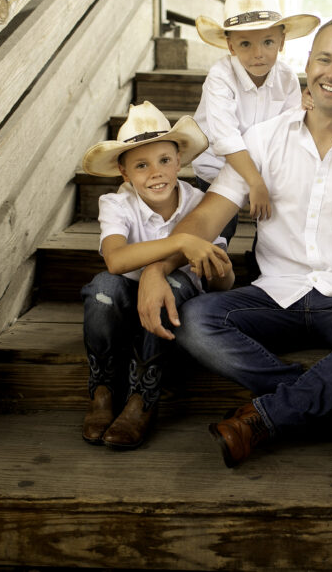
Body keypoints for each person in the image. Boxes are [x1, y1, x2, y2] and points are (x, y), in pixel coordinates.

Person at [135, 17, 332, 467]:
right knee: (196, 317)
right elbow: (205, 218)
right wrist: (154, 268)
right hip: (272, 296)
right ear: (307, 63)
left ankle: (265, 416)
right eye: (324, 59)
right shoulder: (262, 141)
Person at [79, 101, 234, 449]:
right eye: (141, 165)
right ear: (125, 173)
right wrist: (180, 241)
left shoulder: (199, 204)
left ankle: (141, 398)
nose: (156, 173)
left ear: (180, 160)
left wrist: (218, 270)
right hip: (126, 299)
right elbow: (116, 261)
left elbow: (223, 282)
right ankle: (103, 389)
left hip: (174, 305)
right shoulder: (117, 204)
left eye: (165, 160)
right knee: (102, 289)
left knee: (175, 283)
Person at [190, 0, 320, 243]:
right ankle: (211, 270)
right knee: (219, 230)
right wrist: (254, 182)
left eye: (268, 42)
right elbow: (226, 138)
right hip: (218, 167)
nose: (258, 54)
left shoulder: (286, 78)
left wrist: (304, 111)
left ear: (282, 42)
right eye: (246, 44)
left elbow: (290, 130)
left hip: (265, 167)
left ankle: (265, 260)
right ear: (230, 46)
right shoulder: (220, 76)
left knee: (276, 218)